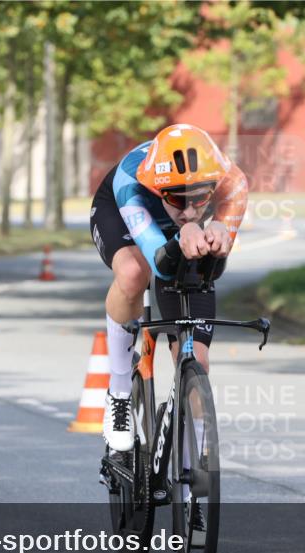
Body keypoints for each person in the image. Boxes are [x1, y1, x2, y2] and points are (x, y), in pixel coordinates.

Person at [89, 124, 248, 453]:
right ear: (160, 189)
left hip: (176, 229)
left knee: (197, 360)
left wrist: (219, 234)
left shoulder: (232, 183)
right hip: (123, 214)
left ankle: (196, 450)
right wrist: (185, 232)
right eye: (178, 198)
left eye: (201, 197)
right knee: (134, 272)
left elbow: (212, 271)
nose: (190, 210)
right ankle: (119, 393)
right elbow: (160, 266)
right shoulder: (131, 184)